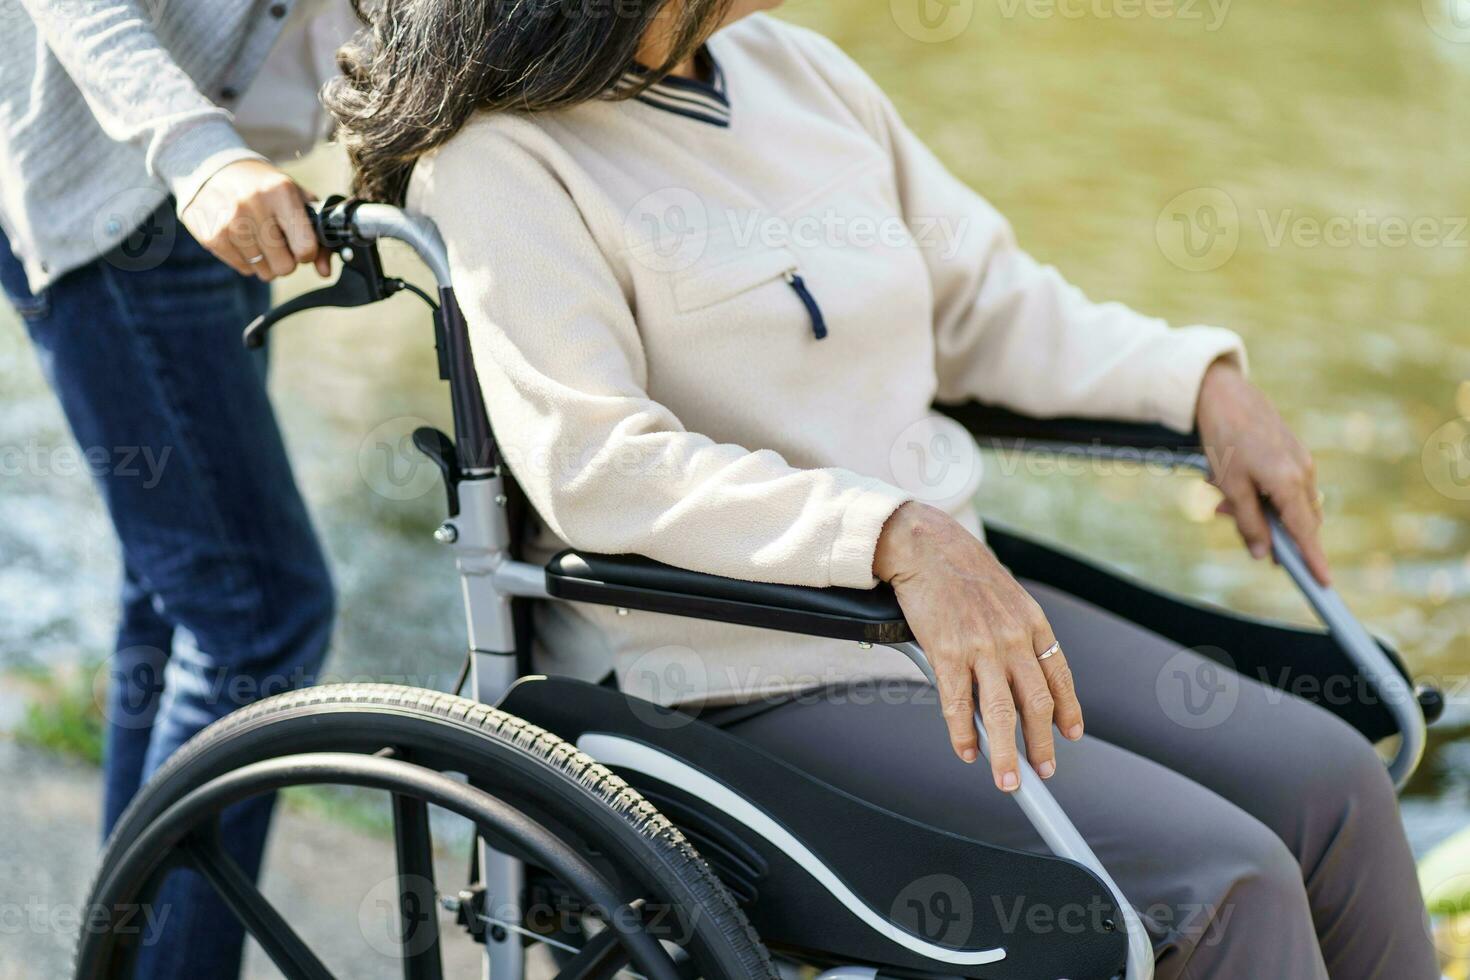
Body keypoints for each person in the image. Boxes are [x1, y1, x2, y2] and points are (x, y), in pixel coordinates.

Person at [327, 0, 1437, 975]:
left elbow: (990, 308)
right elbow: (598, 465)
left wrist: (1200, 383)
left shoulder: (800, 75)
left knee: (1333, 783)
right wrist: (888, 531)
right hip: (738, 671)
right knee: (1223, 882)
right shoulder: (502, 165)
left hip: (950, 612)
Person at [0, 0, 356, 975]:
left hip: (221, 177)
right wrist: (194, 148)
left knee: (179, 603)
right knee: (256, 614)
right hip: (131, 187)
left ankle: (126, 957)